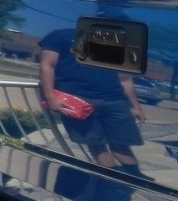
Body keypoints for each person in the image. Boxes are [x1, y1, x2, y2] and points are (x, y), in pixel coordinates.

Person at [38, 26, 147, 177]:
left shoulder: (117, 42)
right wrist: (50, 97)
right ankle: (113, 179)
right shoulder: (60, 35)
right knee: (96, 144)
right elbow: (47, 65)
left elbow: (125, 78)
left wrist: (136, 106)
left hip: (116, 101)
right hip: (78, 101)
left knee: (121, 144)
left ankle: (137, 179)